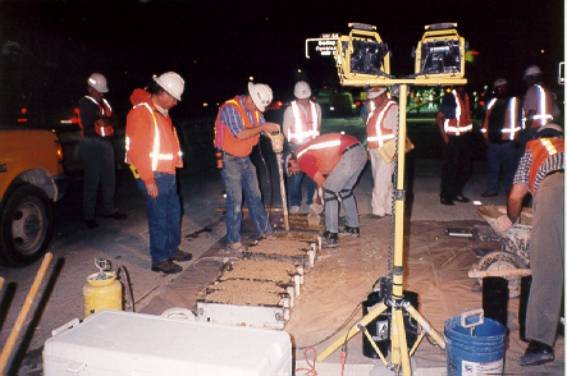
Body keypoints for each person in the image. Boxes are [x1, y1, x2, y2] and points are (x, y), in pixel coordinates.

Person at [495, 122, 564, 366]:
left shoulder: (534, 148)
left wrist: (510, 219)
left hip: (556, 189)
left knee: (548, 268)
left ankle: (541, 344)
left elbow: (516, 195)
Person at [125, 72, 192, 274]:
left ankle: (171, 249)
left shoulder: (161, 113)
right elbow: (137, 151)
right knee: (159, 218)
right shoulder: (141, 112)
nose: (174, 102)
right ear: (160, 92)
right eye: (171, 97)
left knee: (173, 214)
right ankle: (160, 259)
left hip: (168, 174)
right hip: (154, 175)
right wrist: (148, 180)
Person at [213, 82, 280, 252]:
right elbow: (240, 133)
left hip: (245, 158)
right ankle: (233, 239)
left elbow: (262, 128)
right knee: (235, 200)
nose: (257, 110)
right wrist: (263, 127)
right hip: (230, 159)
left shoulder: (256, 110)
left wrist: (274, 135)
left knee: (255, 196)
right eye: (256, 105)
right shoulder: (231, 108)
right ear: (249, 98)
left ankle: (264, 230)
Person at [287, 133, 367, 248]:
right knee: (345, 190)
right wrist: (321, 197)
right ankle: (352, 227)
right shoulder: (307, 152)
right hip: (360, 151)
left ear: (292, 161)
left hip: (350, 154)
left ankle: (331, 234)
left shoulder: (302, 159)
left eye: (290, 170)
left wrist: (319, 204)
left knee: (330, 191)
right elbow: (325, 180)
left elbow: (324, 184)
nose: (293, 173)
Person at [78, 72, 127, 228]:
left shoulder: (105, 103)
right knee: (92, 180)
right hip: (91, 143)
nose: (100, 93)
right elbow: (93, 123)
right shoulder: (85, 103)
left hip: (106, 143)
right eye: (98, 90)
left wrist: (105, 120)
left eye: (102, 91)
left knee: (109, 178)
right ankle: (88, 216)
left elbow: (114, 120)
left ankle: (109, 209)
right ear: (90, 89)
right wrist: (106, 120)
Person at [282, 81, 321, 214]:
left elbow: (318, 125)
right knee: (296, 177)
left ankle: (311, 201)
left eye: (305, 97)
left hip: (312, 147)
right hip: (296, 147)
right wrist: (292, 149)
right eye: (301, 98)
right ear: (296, 96)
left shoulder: (316, 108)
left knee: (312, 176)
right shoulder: (290, 109)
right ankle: (295, 202)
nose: (304, 100)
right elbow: (286, 130)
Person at [480, 78, 522, 197]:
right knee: (493, 168)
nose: (500, 89)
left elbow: (520, 120)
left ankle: (509, 191)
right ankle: (491, 190)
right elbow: (485, 120)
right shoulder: (492, 102)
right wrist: (485, 136)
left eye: (503, 87)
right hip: (493, 142)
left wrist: (517, 137)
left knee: (510, 169)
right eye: (498, 87)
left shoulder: (514, 101)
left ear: (507, 87)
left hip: (508, 142)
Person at [364, 86, 398, 218]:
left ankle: (377, 210)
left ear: (384, 94)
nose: (374, 101)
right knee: (384, 180)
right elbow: (371, 130)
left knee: (380, 181)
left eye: (376, 98)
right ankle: (389, 207)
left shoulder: (393, 107)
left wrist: (395, 150)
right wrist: (368, 149)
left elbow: (397, 131)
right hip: (374, 149)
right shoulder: (374, 109)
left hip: (387, 149)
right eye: (372, 98)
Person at [436, 86, 473, 205]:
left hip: (463, 137)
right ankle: (445, 195)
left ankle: (456, 192)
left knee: (465, 168)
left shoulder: (466, 96)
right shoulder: (451, 97)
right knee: (450, 168)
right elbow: (439, 118)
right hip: (452, 138)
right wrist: (445, 138)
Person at [522, 65, 560, 134]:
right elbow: (557, 113)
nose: (527, 82)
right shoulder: (548, 91)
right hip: (549, 128)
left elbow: (531, 112)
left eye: (527, 79)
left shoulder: (532, 90)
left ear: (532, 77)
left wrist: (526, 130)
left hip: (535, 128)